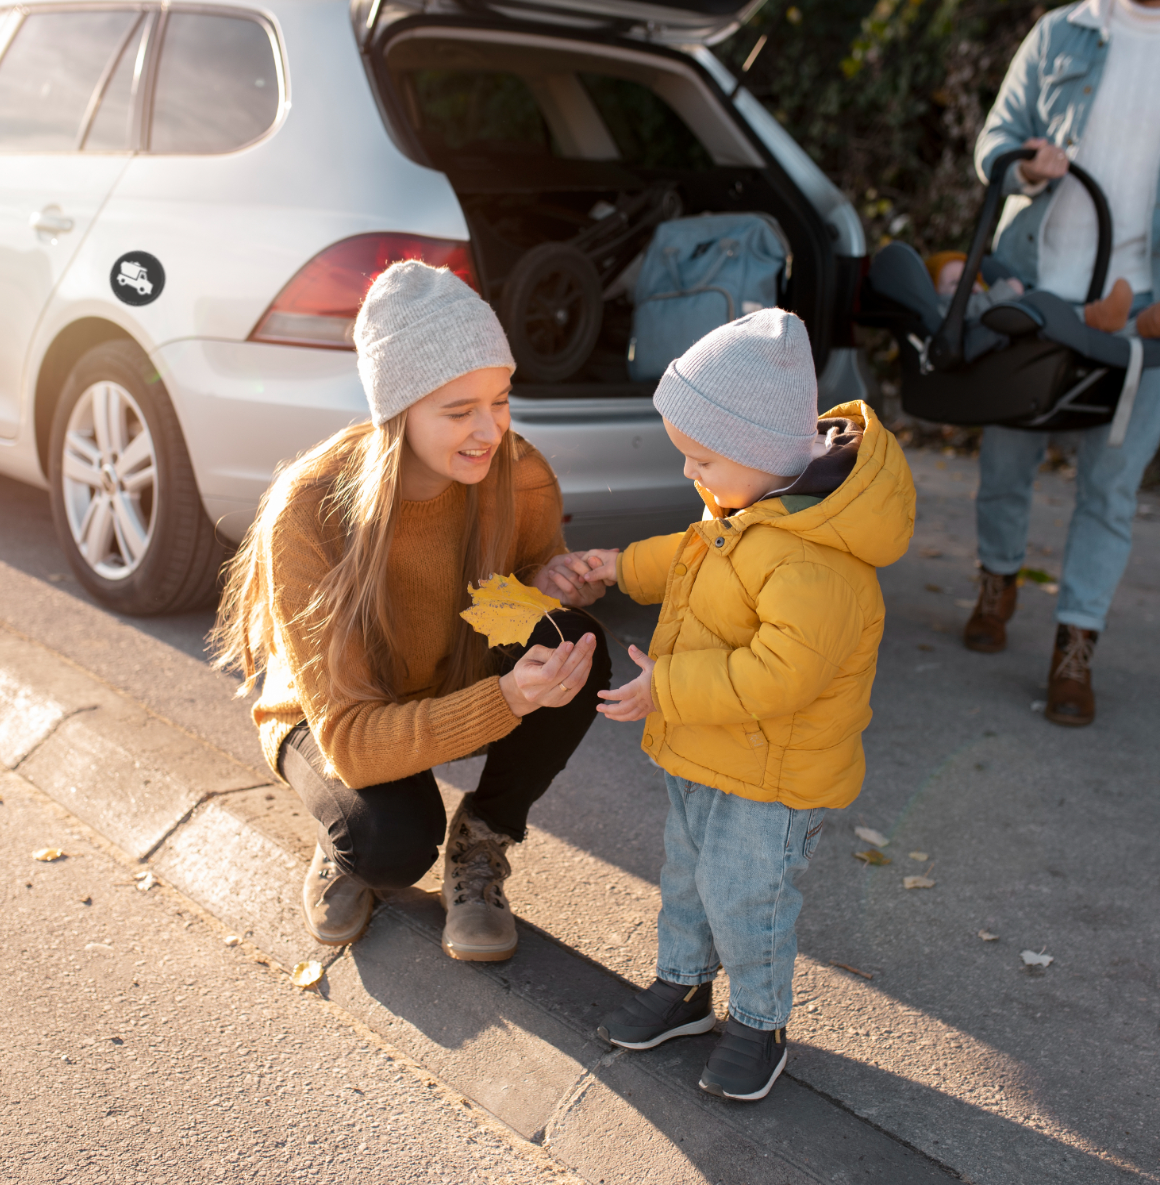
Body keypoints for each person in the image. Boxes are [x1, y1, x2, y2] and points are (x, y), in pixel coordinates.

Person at [212, 260, 612, 960]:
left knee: (575, 641)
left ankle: (482, 837)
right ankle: (348, 851)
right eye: (459, 412)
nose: (489, 431)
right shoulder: (309, 510)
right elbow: (354, 742)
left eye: (501, 399)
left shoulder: (518, 472)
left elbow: (508, 594)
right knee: (390, 844)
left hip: (449, 672)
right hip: (335, 715)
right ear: (396, 413)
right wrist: (510, 698)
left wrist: (544, 580)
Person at [575, 310, 915, 1100]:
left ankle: (760, 1024)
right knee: (688, 877)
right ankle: (684, 986)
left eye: (701, 458)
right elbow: (693, 556)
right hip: (707, 749)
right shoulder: (743, 502)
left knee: (747, 895)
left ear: (760, 450)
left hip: (773, 777)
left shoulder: (818, 559)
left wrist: (667, 688)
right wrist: (619, 565)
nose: (691, 475)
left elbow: (778, 676)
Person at [969, 0, 1160, 724]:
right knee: (1004, 462)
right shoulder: (1062, 33)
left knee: (1110, 489)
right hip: (1037, 296)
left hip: (1143, 317)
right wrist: (1023, 165)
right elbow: (993, 143)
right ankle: (997, 582)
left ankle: (1075, 648)